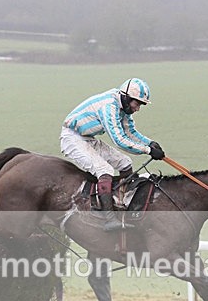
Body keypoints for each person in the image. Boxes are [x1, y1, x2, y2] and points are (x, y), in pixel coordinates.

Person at [61, 78, 165, 232]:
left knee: (125, 163)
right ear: (126, 97)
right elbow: (119, 140)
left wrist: (150, 143)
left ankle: (121, 202)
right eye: (137, 103)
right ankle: (109, 219)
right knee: (105, 170)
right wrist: (148, 151)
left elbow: (130, 131)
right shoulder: (109, 106)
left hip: (88, 138)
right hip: (72, 138)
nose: (138, 109)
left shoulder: (123, 107)